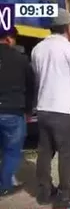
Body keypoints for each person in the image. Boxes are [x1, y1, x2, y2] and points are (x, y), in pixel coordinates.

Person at [31, 8, 70, 208]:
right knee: (67, 155)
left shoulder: (37, 49)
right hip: (64, 112)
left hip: (43, 110)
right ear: (67, 27)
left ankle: (44, 192)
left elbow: (38, 79)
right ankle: (66, 196)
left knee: (44, 152)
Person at [0, 27, 34, 196]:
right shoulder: (21, 60)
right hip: (13, 112)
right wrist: (29, 111)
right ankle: (5, 185)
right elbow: (30, 87)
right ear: (8, 39)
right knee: (12, 150)